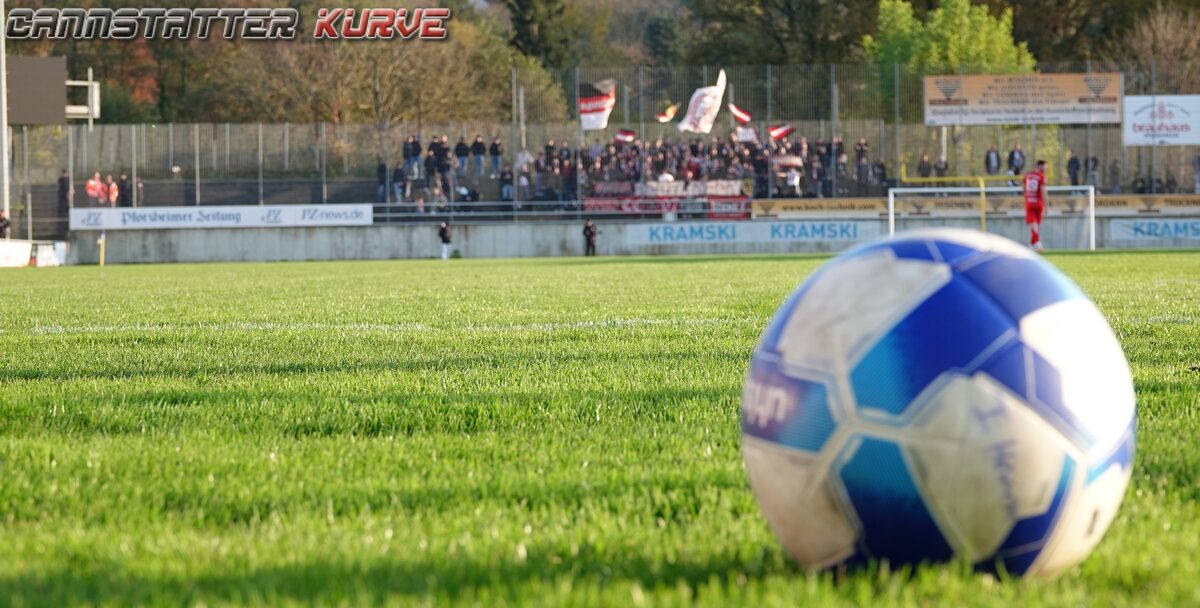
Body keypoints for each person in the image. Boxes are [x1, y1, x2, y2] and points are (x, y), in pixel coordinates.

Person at [1023, 160, 1047, 252]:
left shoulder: (1027, 175)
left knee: (1034, 225)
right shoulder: (1041, 176)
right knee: (1035, 224)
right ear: (1039, 166)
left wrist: (1027, 198)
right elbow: (1043, 191)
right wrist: (1046, 205)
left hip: (1029, 201)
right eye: (1044, 167)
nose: (1045, 169)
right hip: (1038, 202)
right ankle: (1038, 243)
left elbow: (1023, 188)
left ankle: (1031, 245)